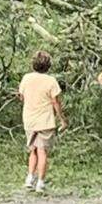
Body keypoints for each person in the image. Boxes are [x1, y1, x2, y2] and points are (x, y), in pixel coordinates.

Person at [18, 51, 66, 194]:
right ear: (48, 66)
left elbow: (21, 96)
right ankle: (40, 182)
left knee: (33, 150)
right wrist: (62, 119)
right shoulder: (51, 81)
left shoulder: (26, 78)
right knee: (43, 151)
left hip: (29, 119)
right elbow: (56, 102)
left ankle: (29, 178)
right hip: (45, 121)